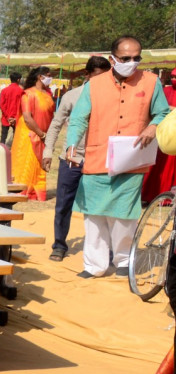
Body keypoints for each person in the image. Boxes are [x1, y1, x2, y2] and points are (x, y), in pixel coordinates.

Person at [65, 36, 171, 279]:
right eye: (126, 58)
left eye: (137, 58)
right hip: (97, 157)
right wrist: (72, 145)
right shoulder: (94, 84)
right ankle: (95, 265)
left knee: (124, 215)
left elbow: (163, 112)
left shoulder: (151, 82)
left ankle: (123, 260)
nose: (132, 63)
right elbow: (79, 118)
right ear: (113, 59)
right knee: (94, 216)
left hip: (132, 158)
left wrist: (153, 126)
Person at [42, 56, 112, 261]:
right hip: (72, 158)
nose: (102, 81)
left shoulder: (112, 99)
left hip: (99, 159)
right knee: (64, 203)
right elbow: (55, 125)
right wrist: (48, 152)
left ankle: (104, 248)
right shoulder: (72, 96)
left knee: (100, 206)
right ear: (88, 75)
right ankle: (59, 245)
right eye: (98, 76)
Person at [9, 66, 55, 202]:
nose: (50, 78)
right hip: (29, 134)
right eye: (48, 75)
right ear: (40, 77)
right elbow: (27, 118)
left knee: (39, 162)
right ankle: (24, 189)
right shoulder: (28, 94)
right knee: (28, 161)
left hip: (43, 134)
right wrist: (40, 133)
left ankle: (37, 191)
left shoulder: (47, 94)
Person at [141, 65, 176, 204]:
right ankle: (151, 195)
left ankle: (168, 198)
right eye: (172, 77)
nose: (174, 79)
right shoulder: (165, 91)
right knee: (156, 167)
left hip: (173, 137)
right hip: (162, 133)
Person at [0, 72, 23, 144]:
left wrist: (8, 117)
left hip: (6, 117)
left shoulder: (4, 90)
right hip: (16, 118)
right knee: (16, 138)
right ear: (18, 80)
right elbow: (22, 106)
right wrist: (15, 117)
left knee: (3, 137)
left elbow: (2, 105)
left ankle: (2, 151)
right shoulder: (21, 91)